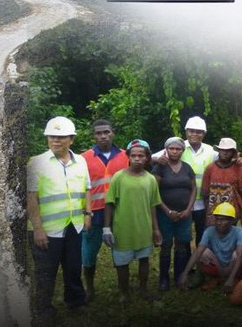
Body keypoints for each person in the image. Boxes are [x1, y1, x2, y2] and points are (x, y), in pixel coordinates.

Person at [26, 116, 90, 319]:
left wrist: (88, 214)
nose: (56, 140)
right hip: (47, 229)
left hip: (74, 225)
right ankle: (43, 309)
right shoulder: (36, 163)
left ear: (71, 139)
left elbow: (87, 189)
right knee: (46, 272)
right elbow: (31, 197)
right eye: (52, 136)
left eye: (61, 137)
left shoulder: (81, 161)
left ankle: (75, 302)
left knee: (73, 268)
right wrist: (37, 229)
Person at [103, 139, 163, 303]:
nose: (137, 158)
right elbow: (110, 203)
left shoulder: (150, 179)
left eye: (141, 155)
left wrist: (155, 229)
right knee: (122, 264)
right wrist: (106, 228)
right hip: (123, 229)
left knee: (144, 259)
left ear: (147, 158)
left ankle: (143, 289)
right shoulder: (119, 177)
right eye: (134, 155)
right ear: (128, 156)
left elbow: (153, 206)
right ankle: (124, 292)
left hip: (143, 228)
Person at [81, 119, 129, 301]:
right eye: (98, 133)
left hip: (118, 211)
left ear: (113, 132)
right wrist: (85, 212)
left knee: (120, 251)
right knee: (88, 253)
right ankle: (90, 289)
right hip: (93, 212)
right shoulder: (84, 158)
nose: (103, 136)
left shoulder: (126, 156)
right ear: (94, 135)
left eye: (106, 132)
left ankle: (123, 290)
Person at [153, 116, 215, 245]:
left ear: (203, 134)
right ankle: (186, 264)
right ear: (186, 132)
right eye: (191, 131)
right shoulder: (177, 145)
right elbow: (151, 157)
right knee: (184, 239)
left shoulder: (210, 150)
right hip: (183, 203)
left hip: (202, 201)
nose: (194, 134)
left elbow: (225, 158)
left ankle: (200, 262)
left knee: (201, 234)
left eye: (198, 131)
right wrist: (156, 160)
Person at [152, 137, 196, 292]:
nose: (175, 151)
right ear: (166, 150)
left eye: (178, 149)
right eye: (172, 148)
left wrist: (189, 209)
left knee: (181, 245)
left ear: (182, 151)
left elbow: (193, 189)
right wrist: (167, 211)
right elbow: (154, 192)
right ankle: (164, 279)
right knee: (166, 245)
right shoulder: (160, 167)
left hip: (184, 214)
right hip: (165, 214)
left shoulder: (187, 168)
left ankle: (179, 276)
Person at [178, 202, 242, 292]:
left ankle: (231, 279)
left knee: (237, 255)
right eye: (217, 219)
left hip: (232, 266)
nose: (218, 223)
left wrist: (231, 278)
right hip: (218, 265)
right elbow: (198, 251)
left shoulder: (239, 232)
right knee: (203, 253)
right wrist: (185, 273)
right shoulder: (209, 231)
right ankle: (216, 278)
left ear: (231, 221)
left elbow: (240, 255)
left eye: (223, 220)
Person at [202, 138, 242, 227]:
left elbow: (241, 188)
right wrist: (207, 210)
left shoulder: (238, 167)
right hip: (213, 211)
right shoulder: (210, 168)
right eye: (222, 150)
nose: (225, 153)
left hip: (232, 211)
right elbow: (205, 191)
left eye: (228, 151)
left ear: (233, 153)